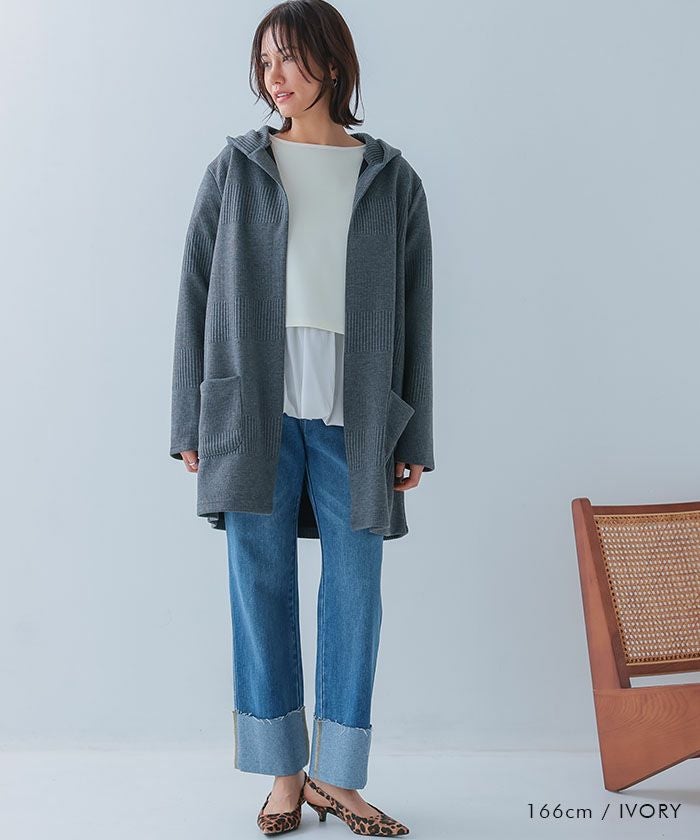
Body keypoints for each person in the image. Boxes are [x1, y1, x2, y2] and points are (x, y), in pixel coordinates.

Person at [169, 1, 434, 835]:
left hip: (358, 418)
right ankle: (285, 776)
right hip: (252, 413)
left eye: (287, 58)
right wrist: (188, 421)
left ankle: (339, 778)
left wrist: (415, 434)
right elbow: (194, 294)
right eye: (264, 62)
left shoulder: (391, 178)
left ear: (331, 63)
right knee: (260, 587)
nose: (273, 76)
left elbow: (417, 313)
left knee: (356, 593)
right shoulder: (237, 168)